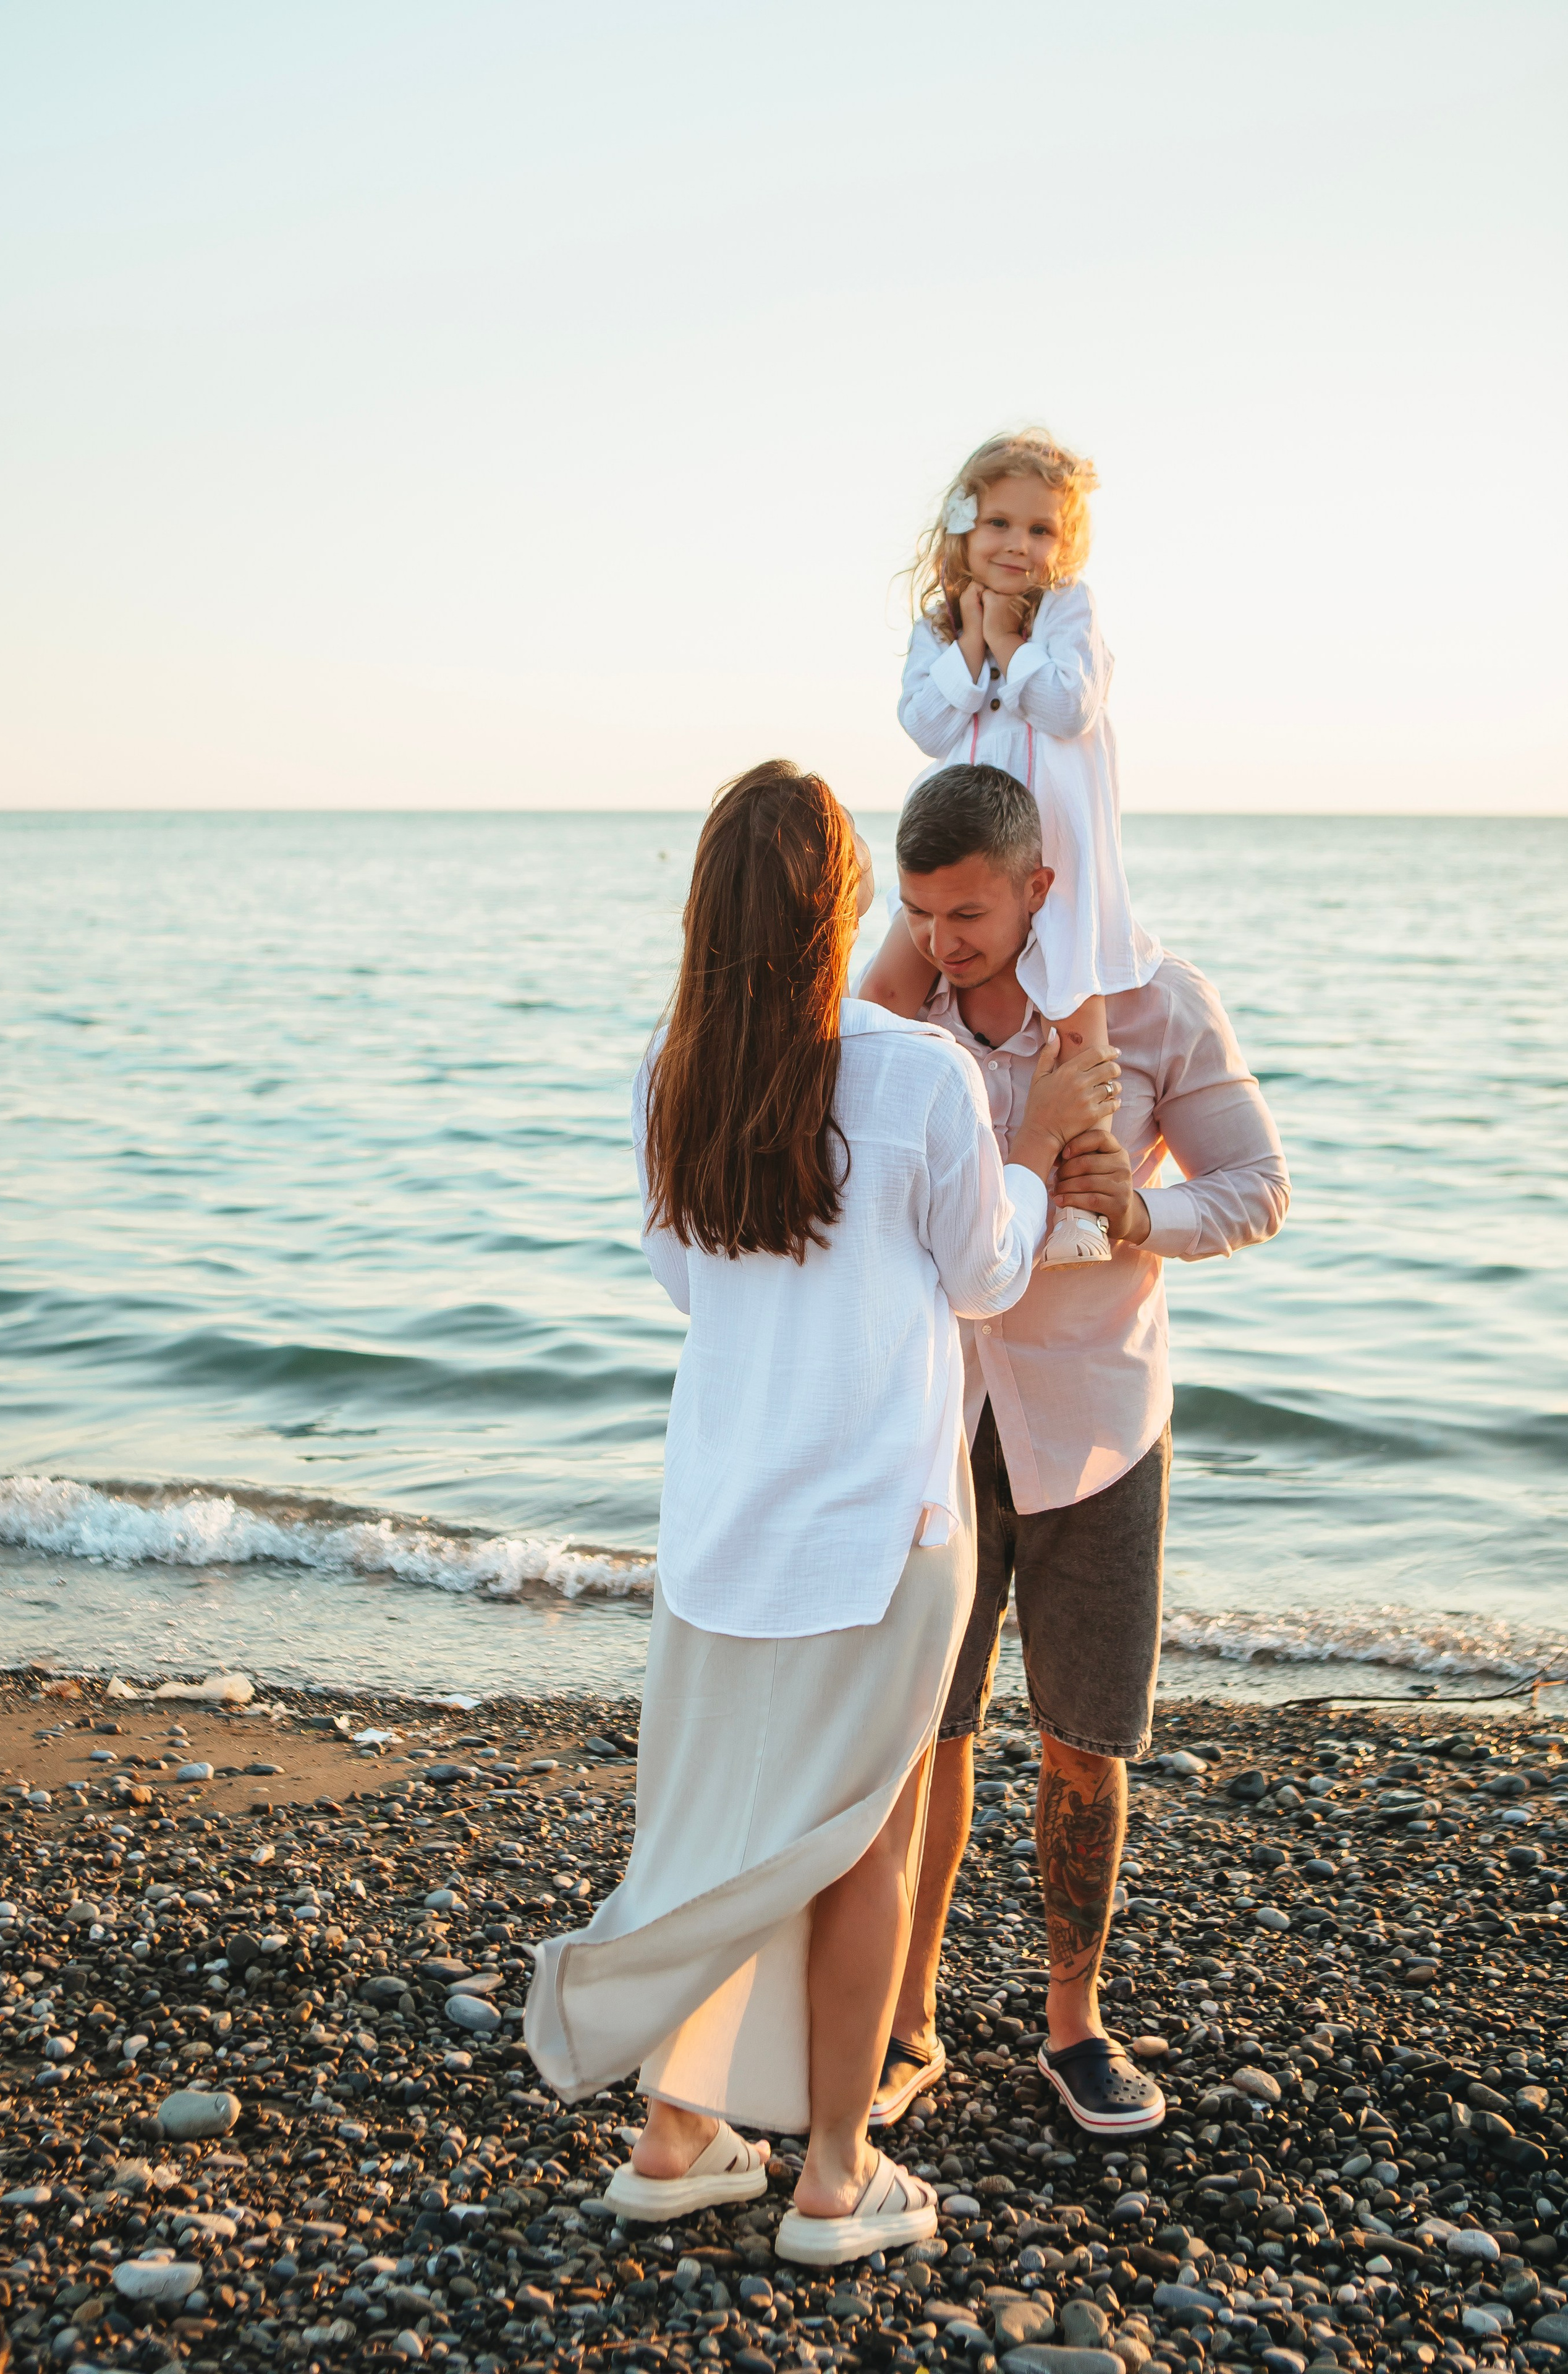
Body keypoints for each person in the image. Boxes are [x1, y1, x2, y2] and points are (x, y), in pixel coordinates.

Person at [523, 759, 1120, 2264]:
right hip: (880, 1526)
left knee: (718, 1827)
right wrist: (1039, 1142)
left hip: (726, 1518)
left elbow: (685, 1285)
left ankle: (677, 2134)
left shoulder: (674, 1074)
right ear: (841, 906)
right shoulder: (913, 1073)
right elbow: (986, 1276)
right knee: (858, 1841)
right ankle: (834, 2179)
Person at [859, 761, 1289, 2139]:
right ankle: (902, 2016)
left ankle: (1073, 2027)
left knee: (1080, 1742)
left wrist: (1144, 1215)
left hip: (1096, 1424)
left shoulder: (1155, 1003)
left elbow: (1256, 1188)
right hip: (936, 1417)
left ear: (1042, 885)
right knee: (926, 1733)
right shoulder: (898, 1017)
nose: (943, 939)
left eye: (966, 912)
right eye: (918, 911)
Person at [869, 428, 1162, 1269]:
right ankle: (859, 1144)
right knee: (887, 985)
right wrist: (970, 642)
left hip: (1058, 854)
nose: (1018, 546)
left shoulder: (1070, 613)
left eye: (1041, 531)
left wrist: (1010, 643)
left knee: (1077, 1019)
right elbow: (927, 724)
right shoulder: (940, 626)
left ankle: (1078, 1206)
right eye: (1000, 524)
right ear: (964, 528)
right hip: (966, 847)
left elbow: (1068, 707)